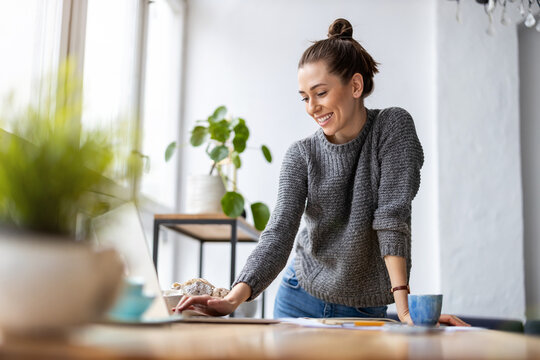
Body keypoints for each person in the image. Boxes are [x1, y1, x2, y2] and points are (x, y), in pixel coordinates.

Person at [176, 18, 468, 326]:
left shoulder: (392, 128)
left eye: (321, 93)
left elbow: (392, 217)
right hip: (298, 296)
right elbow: (279, 233)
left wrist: (406, 310)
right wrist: (232, 299)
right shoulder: (301, 155)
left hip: (364, 308)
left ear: (355, 86)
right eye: (305, 97)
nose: (312, 107)